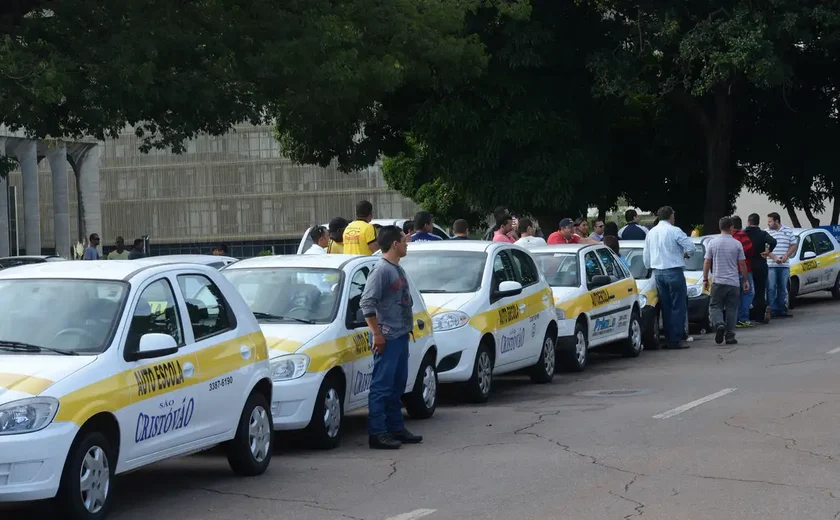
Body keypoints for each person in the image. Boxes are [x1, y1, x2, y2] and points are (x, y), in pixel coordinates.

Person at [359, 226, 422, 450]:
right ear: (394, 244)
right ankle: (377, 433)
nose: (407, 244)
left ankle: (396, 428)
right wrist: (377, 333)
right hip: (387, 337)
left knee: (397, 385)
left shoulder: (397, 269)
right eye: (404, 240)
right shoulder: (381, 271)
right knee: (382, 387)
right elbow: (367, 303)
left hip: (401, 335)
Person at [643, 206, 694, 349]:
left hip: (658, 272)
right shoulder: (675, 231)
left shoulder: (651, 233)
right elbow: (691, 247)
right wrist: (686, 254)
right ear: (670, 216)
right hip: (674, 271)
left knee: (666, 306)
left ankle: (668, 337)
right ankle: (675, 339)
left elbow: (646, 257)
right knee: (678, 305)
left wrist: (650, 266)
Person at [703, 217, 750, 345]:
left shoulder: (712, 243)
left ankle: (719, 324)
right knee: (732, 309)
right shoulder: (737, 244)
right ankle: (730, 336)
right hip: (733, 282)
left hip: (718, 281)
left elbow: (707, 261)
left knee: (715, 306)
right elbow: (742, 264)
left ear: (720, 227)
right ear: (731, 228)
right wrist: (746, 280)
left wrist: (705, 278)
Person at [744, 213, 777, 323]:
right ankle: (759, 314)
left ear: (749, 222)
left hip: (747, 263)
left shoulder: (744, 233)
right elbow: (773, 241)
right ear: (758, 222)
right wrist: (768, 251)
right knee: (760, 289)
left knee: (746, 290)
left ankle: (746, 313)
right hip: (760, 263)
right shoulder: (762, 233)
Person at [765, 212, 796, 318]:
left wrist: (786, 256)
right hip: (771, 264)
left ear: (776, 221)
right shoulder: (766, 232)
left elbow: (793, 245)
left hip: (784, 265)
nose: (768, 224)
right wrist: (774, 257)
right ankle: (772, 309)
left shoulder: (788, 230)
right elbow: (764, 249)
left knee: (783, 288)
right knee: (771, 287)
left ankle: (781, 309)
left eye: (770, 221)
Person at [731, 216, 755, 327]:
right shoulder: (742, 236)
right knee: (748, 293)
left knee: (736, 296)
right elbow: (749, 250)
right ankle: (743, 318)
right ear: (740, 225)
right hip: (745, 269)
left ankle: (734, 319)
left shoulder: (728, 237)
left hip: (731, 270)